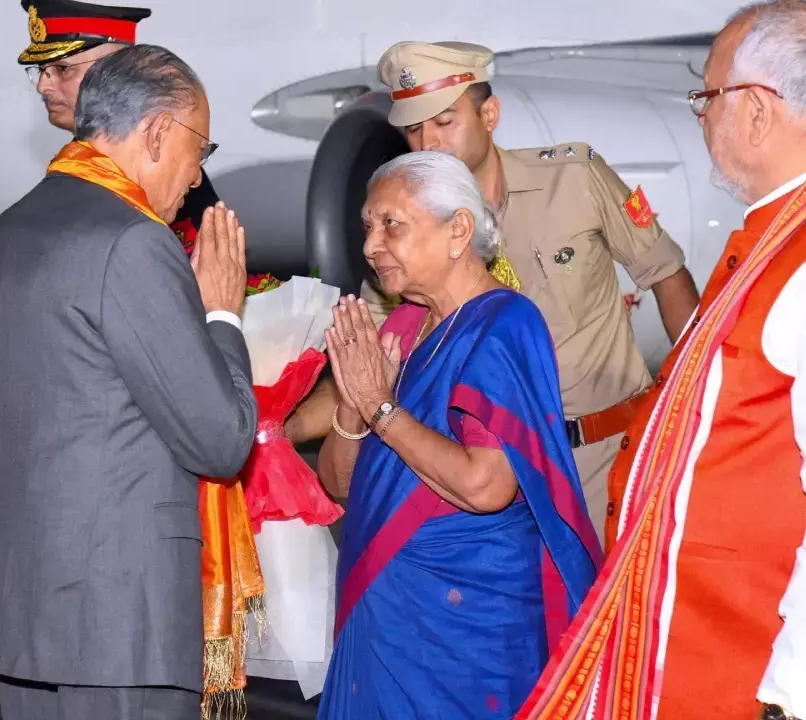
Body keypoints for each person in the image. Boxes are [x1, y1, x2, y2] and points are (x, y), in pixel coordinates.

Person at [519, 2, 806, 719]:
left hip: (783, 684)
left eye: (705, 98)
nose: (700, 117)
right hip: (717, 653)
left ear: (754, 111)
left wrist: (789, 699)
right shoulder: (795, 231)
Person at [286, 41, 700, 541]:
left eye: (445, 122)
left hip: (600, 457)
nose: (429, 144)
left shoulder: (573, 178)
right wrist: (274, 425)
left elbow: (666, 273)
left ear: (489, 114)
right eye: (414, 129)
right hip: (481, 475)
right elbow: (366, 369)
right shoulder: (405, 246)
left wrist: (699, 404)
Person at [0, 45, 258, 720]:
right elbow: (219, 438)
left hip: (27, 618)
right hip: (116, 624)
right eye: (199, 148)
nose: (195, 177)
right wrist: (222, 311)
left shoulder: (11, 230)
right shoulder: (132, 240)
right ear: (157, 133)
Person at [315, 151, 601, 718]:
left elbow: (484, 486)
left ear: (459, 230)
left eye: (391, 223)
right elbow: (339, 485)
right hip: (387, 618)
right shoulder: (402, 327)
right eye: (368, 227)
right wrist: (354, 409)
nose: (372, 245)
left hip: (463, 631)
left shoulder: (504, 323)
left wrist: (383, 407)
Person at [18, 0, 221, 237]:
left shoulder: (170, 176)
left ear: (114, 71)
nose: (43, 86)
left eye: (63, 69)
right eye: (42, 71)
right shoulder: (77, 161)